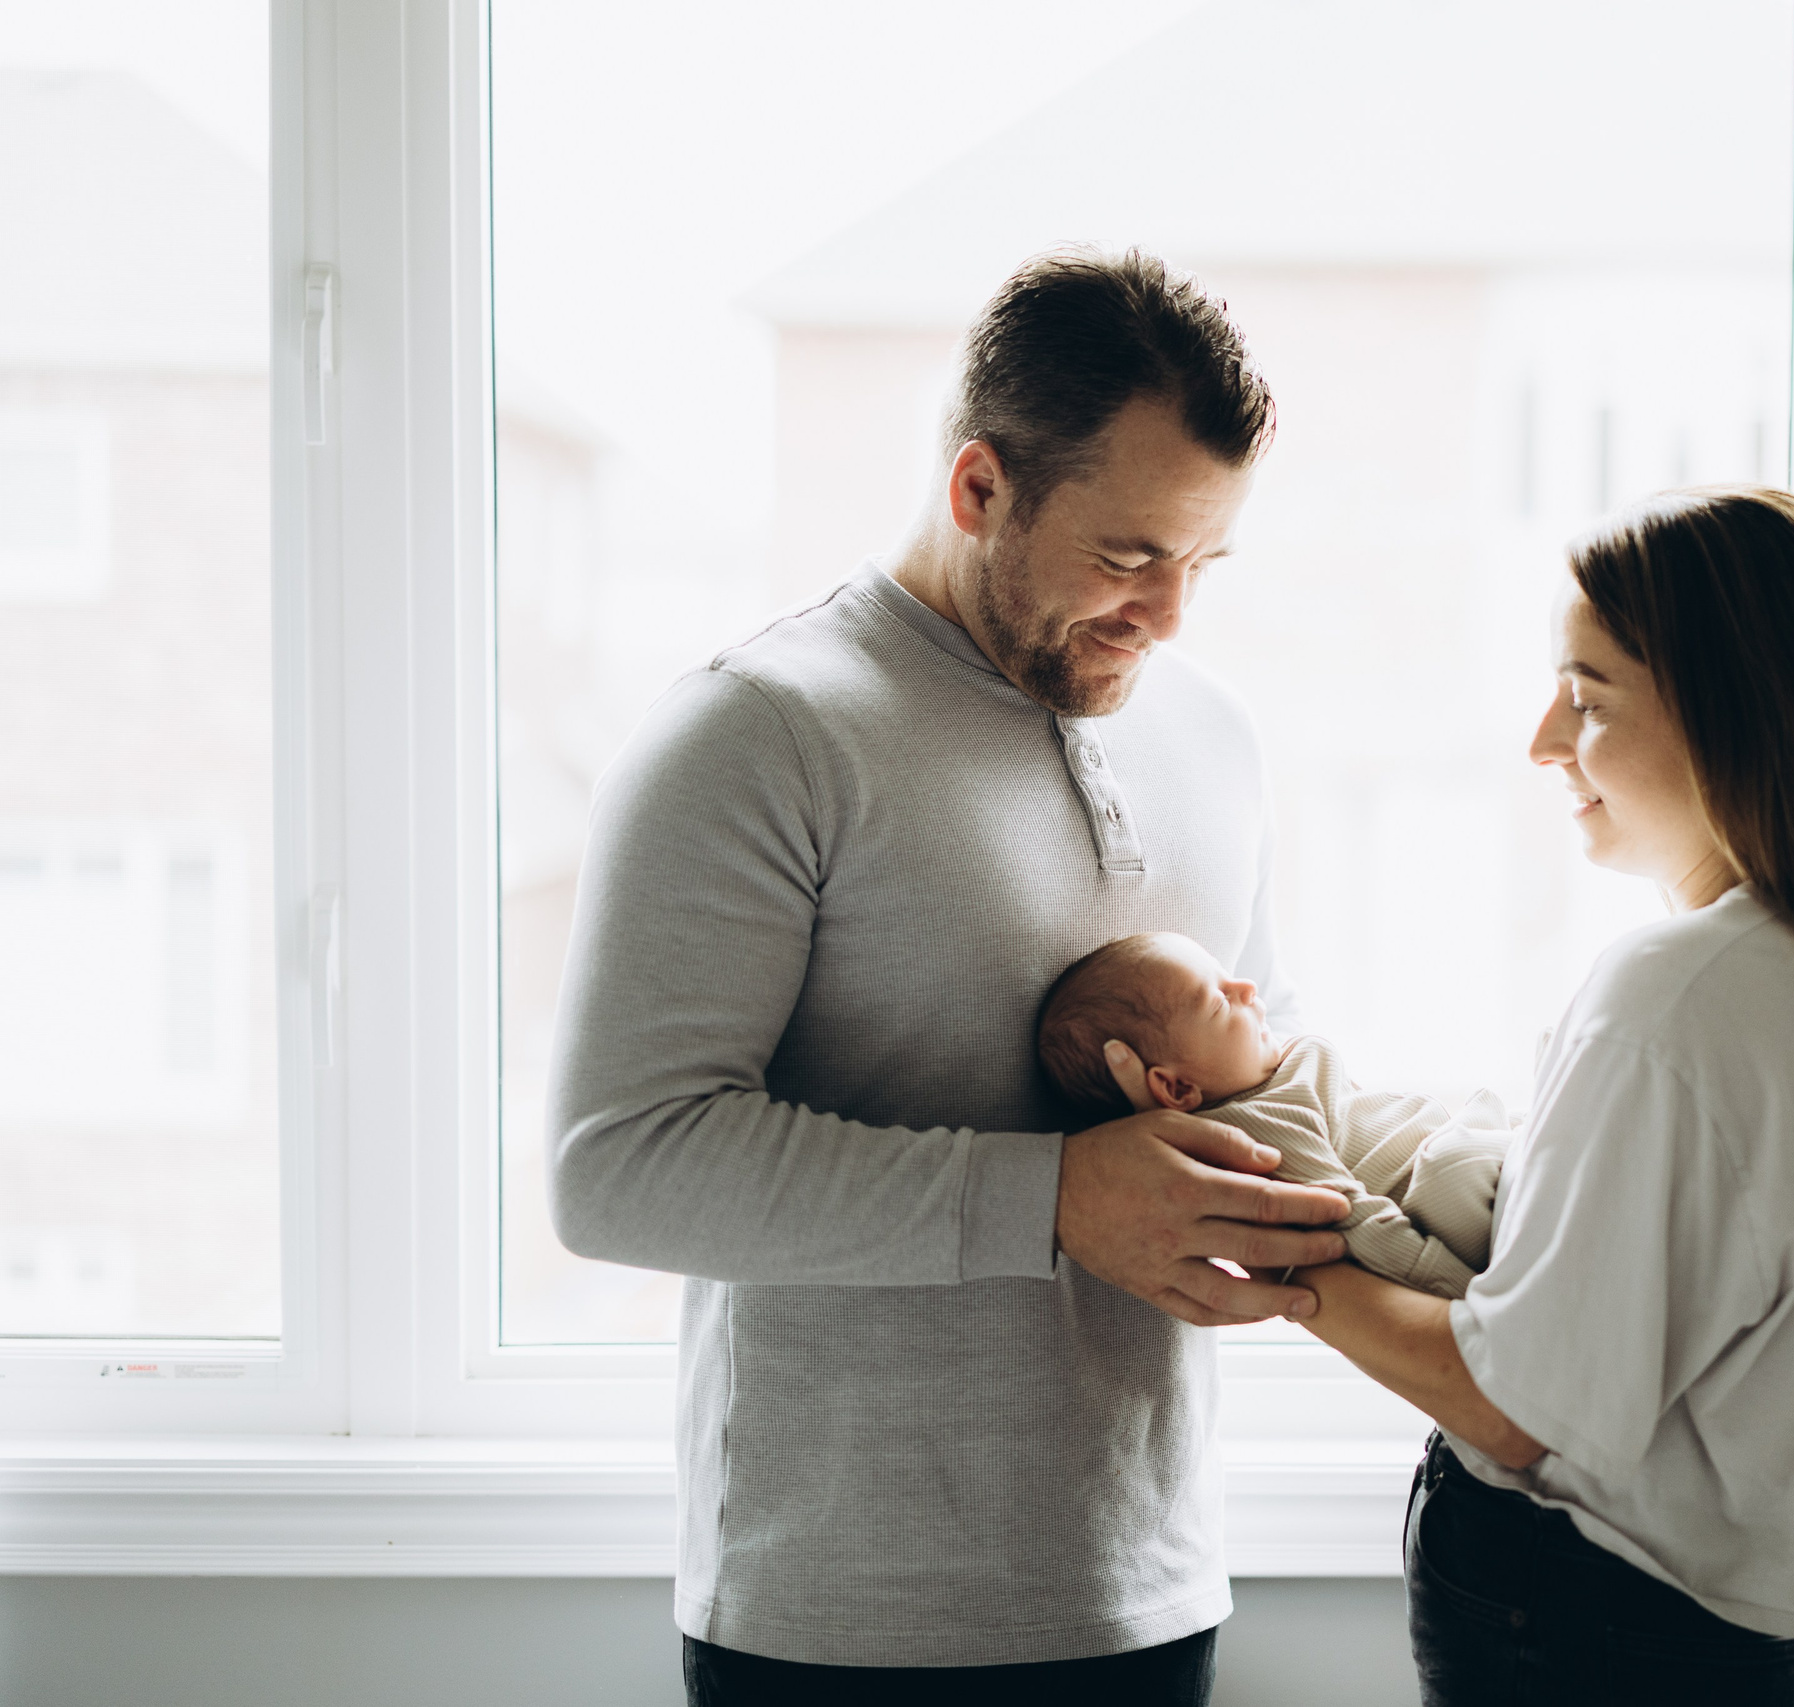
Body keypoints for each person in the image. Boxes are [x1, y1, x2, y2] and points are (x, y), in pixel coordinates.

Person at [545, 247, 1358, 1706]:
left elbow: (1270, 1056)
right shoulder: (758, 735)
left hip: (1146, 1589)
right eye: (1129, 558)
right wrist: (1053, 1200)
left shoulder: (1216, 736)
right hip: (841, 1625)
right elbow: (618, 1167)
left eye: (1204, 562)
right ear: (978, 485)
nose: (1170, 615)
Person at [1108, 487, 1794, 1705]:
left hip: (1599, 1634)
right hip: (1740, 1639)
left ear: (1734, 712)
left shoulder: (1680, 996)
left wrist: (1266, 1261)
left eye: (1586, 697)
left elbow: (1514, 1407)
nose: (1541, 740)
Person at [1037, 930, 1515, 1298]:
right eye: (1220, 1001)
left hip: (1470, 1151)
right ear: (1177, 1087)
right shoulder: (1256, 1130)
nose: (1246, 986)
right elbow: (1352, 1220)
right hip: (1448, 1187)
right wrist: (1462, 1297)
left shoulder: (1271, 1068)